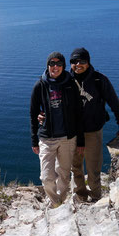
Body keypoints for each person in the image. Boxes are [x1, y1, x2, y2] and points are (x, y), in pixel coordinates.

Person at [39, 48, 119, 202]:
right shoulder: (65, 80)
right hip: (72, 132)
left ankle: (96, 198)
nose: (78, 64)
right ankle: (80, 196)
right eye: (74, 61)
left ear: (88, 63)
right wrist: (42, 114)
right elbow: (51, 101)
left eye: (82, 61)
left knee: (93, 168)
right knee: (75, 168)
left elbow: (115, 104)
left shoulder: (99, 80)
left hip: (92, 131)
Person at [30, 52, 84, 208]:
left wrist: (80, 140)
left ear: (64, 66)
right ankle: (55, 201)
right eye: (52, 63)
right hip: (47, 138)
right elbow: (33, 114)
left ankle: (60, 201)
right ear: (47, 65)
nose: (55, 67)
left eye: (59, 64)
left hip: (68, 138)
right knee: (46, 177)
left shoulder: (70, 84)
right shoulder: (40, 85)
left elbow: (78, 113)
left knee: (64, 175)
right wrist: (34, 139)